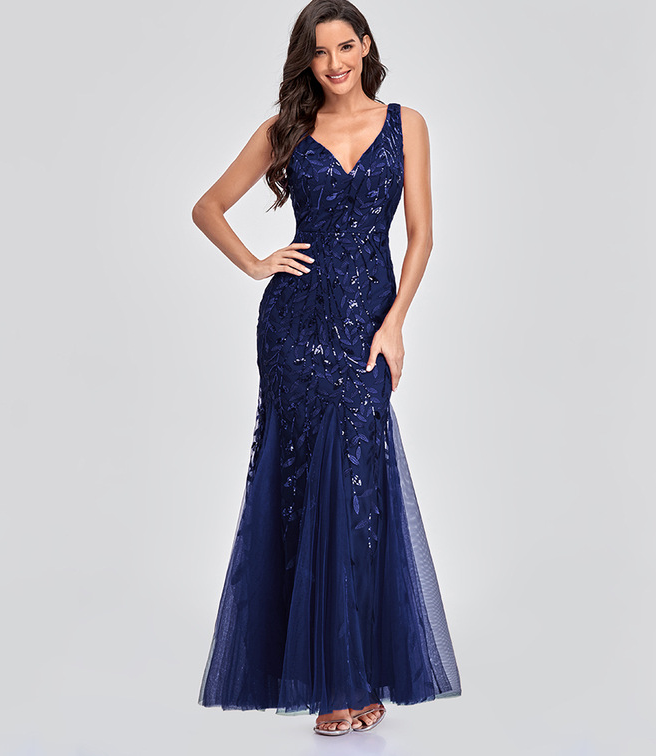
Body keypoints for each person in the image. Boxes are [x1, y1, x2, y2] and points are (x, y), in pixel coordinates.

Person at [192, 0, 461, 736]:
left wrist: (395, 324)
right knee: (302, 491)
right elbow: (208, 206)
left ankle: (357, 672)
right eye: (319, 52)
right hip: (294, 331)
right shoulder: (285, 130)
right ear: (306, 61)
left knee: (359, 493)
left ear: (365, 47)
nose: (335, 63)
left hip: (367, 329)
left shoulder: (406, 124)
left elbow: (421, 234)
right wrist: (256, 263)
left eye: (345, 47)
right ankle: (330, 688)